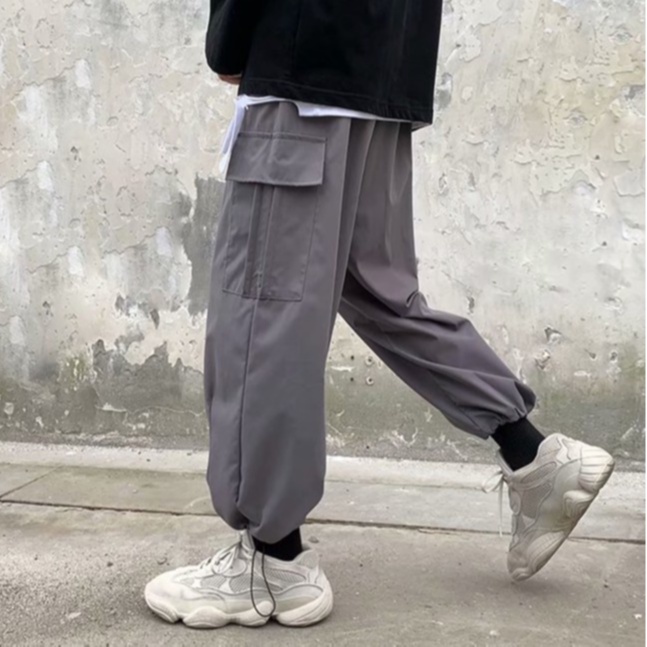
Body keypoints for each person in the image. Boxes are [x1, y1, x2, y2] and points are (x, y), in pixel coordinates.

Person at [144, 0, 615, 629]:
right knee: (378, 291)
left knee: (262, 312)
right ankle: (531, 454)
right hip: (383, 74)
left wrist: (230, 41)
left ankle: (272, 561)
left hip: (303, 62)